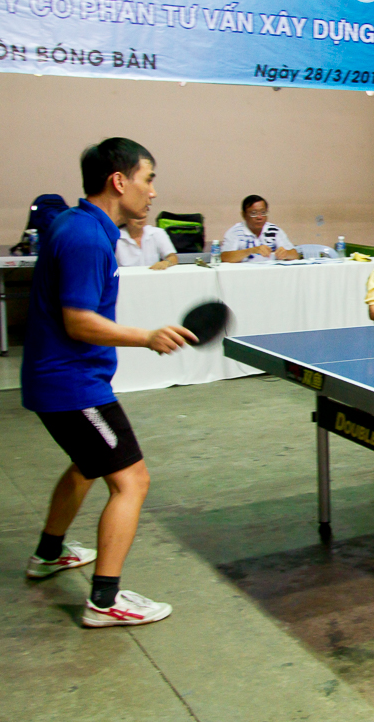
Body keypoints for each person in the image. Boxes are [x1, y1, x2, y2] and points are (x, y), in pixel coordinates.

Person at [21, 137, 196, 627]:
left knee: (87, 465)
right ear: (119, 181)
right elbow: (78, 321)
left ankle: (49, 553)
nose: (153, 192)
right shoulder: (85, 238)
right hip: (72, 386)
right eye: (148, 179)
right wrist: (147, 337)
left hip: (58, 380)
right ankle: (105, 601)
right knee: (132, 481)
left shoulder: (77, 225)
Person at [220, 195, 299, 262]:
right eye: (254, 213)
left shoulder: (274, 230)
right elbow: (224, 257)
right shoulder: (235, 232)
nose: (259, 217)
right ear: (243, 215)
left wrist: (286, 253)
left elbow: (295, 255)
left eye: (263, 212)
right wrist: (250, 251)